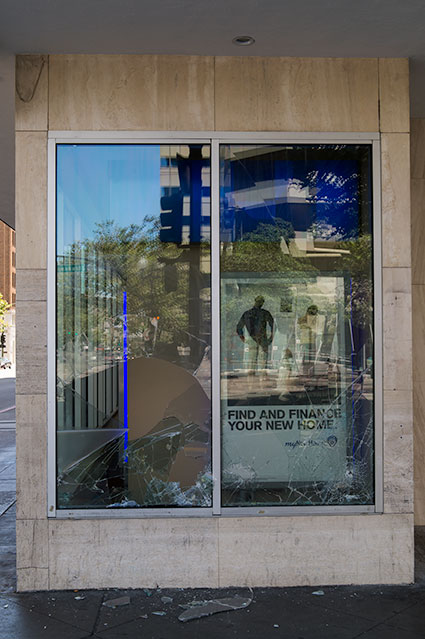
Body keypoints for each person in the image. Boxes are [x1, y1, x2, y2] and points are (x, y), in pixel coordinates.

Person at [236, 296, 274, 375]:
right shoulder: (262, 313)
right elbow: (239, 327)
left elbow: (273, 326)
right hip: (257, 339)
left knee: (257, 361)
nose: (260, 303)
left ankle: (257, 377)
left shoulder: (249, 313)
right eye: (259, 301)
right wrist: (242, 338)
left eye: (261, 301)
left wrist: (243, 338)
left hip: (257, 339)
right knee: (257, 361)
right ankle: (256, 377)